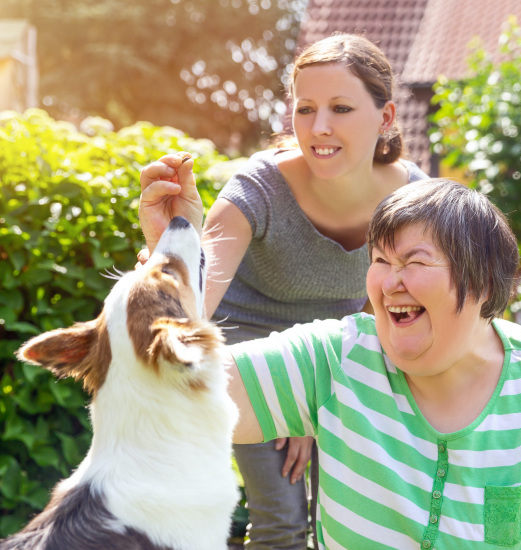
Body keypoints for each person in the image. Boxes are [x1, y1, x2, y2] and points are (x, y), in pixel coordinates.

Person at [138, 33, 428, 549]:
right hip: (245, 346)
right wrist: (168, 247)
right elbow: (198, 298)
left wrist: (322, 393)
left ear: (385, 118)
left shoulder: (411, 198)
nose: (319, 128)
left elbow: (390, 304)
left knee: (361, 520)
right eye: (305, 108)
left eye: (341, 108)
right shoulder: (258, 187)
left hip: (343, 349)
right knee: (284, 519)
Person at [224, 178, 521, 549]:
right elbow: (186, 391)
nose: (389, 282)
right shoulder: (337, 358)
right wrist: (173, 255)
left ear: (483, 282)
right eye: (380, 260)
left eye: (415, 262)